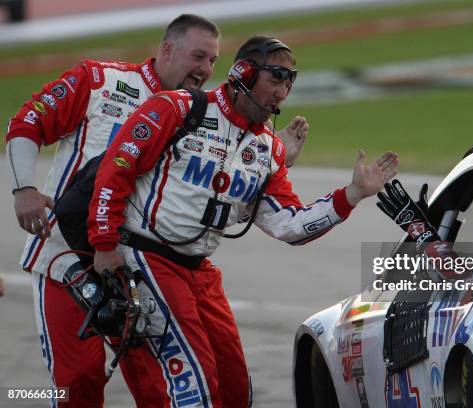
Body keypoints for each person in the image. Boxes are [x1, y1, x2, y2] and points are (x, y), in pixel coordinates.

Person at [5, 15, 306, 407]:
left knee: (158, 387)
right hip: (65, 257)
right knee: (78, 380)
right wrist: (24, 188)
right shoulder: (101, 80)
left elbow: (224, 180)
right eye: (198, 56)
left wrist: (274, 159)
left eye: (213, 61)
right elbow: (27, 121)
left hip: (133, 268)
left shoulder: (200, 112)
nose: (205, 69)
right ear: (167, 49)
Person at [87, 35, 399, 407]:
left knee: (236, 391)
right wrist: (104, 245)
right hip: (147, 259)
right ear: (243, 74)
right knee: (194, 387)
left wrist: (351, 195)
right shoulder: (176, 108)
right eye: (276, 79)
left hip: (199, 271)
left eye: (289, 82)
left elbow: (289, 226)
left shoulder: (267, 148)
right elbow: (115, 169)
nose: (283, 92)